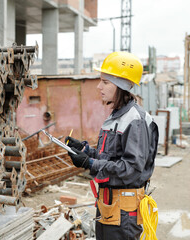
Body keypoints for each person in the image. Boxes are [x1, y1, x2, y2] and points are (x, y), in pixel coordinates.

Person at [65, 51, 159, 240]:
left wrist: (90, 163)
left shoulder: (135, 120)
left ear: (122, 85)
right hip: (109, 208)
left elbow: (131, 168)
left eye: (105, 82)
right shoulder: (116, 116)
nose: (99, 86)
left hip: (124, 213)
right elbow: (110, 156)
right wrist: (85, 151)